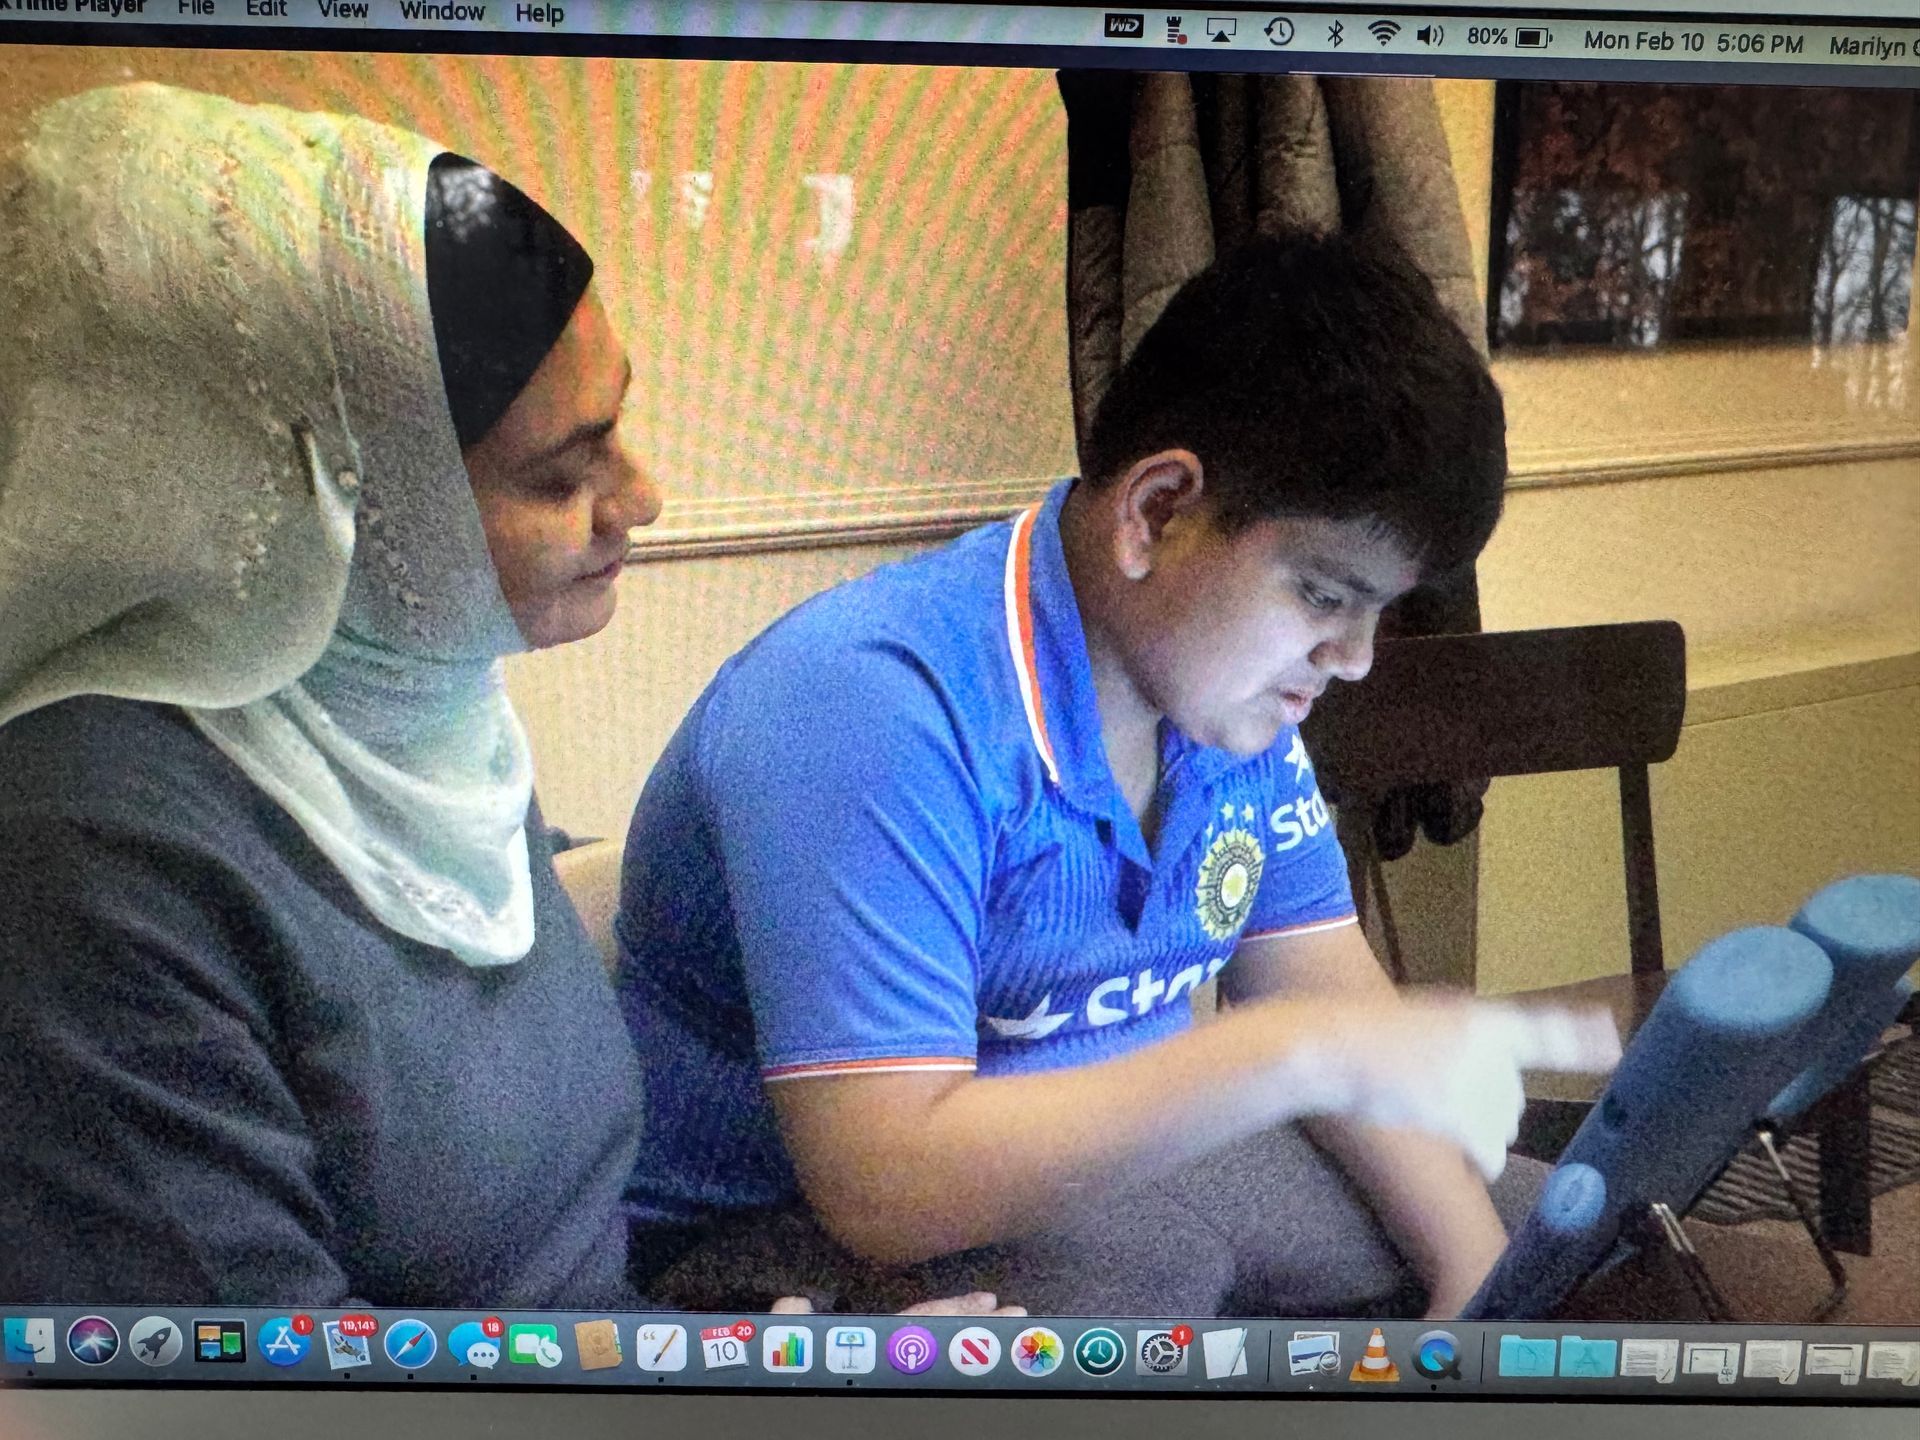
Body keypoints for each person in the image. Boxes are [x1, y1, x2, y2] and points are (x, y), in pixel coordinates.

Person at [0, 83, 1020, 1321]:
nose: (642, 495)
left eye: (619, 421)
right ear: (337, 507)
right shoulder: (85, 865)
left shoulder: (408, 704)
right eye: (560, 472)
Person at [615, 233, 1623, 1318]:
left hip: (1126, 1187)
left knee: (1593, 1241)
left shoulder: (1222, 695)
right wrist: (1284, 1057)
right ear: (1156, 513)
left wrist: (1475, 1283)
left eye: (1381, 609)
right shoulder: (871, 705)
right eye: (1329, 597)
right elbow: (886, 1188)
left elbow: (1320, 987)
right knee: (1150, 1281)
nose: (1357, 658)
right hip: (786, 1252)